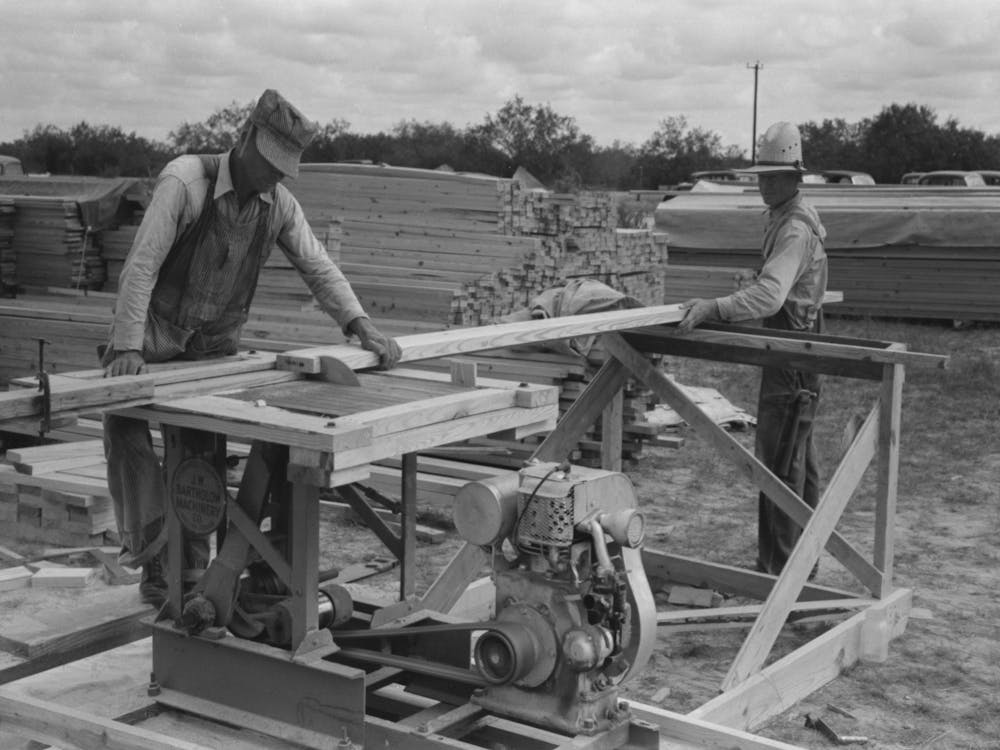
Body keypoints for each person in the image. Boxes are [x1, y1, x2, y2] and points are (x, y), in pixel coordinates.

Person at [102, 89, 402, 606]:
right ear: (243, 140)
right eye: (269, 163)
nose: (276, 176)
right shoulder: (185, 183)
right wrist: (127, 346)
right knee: (125, 428)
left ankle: (207, 576)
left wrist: (359, 323)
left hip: (213, 345)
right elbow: (143, 265)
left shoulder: (279, 205)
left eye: (285, 168)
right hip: (152, 337)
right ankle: (156, 560)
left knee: (200, 455)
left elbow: (318, 265)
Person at [675, 121, 828, 576]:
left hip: (792, 347)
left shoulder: (795, 228)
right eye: (759, 175)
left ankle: (778, 573)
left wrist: (713, 308)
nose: (760, 184)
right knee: (801, 459)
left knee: (782, 464)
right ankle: (803, 565)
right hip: (800, 342)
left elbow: (771, 296)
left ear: (792, 178)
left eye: (768, 176)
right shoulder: (789, 217)